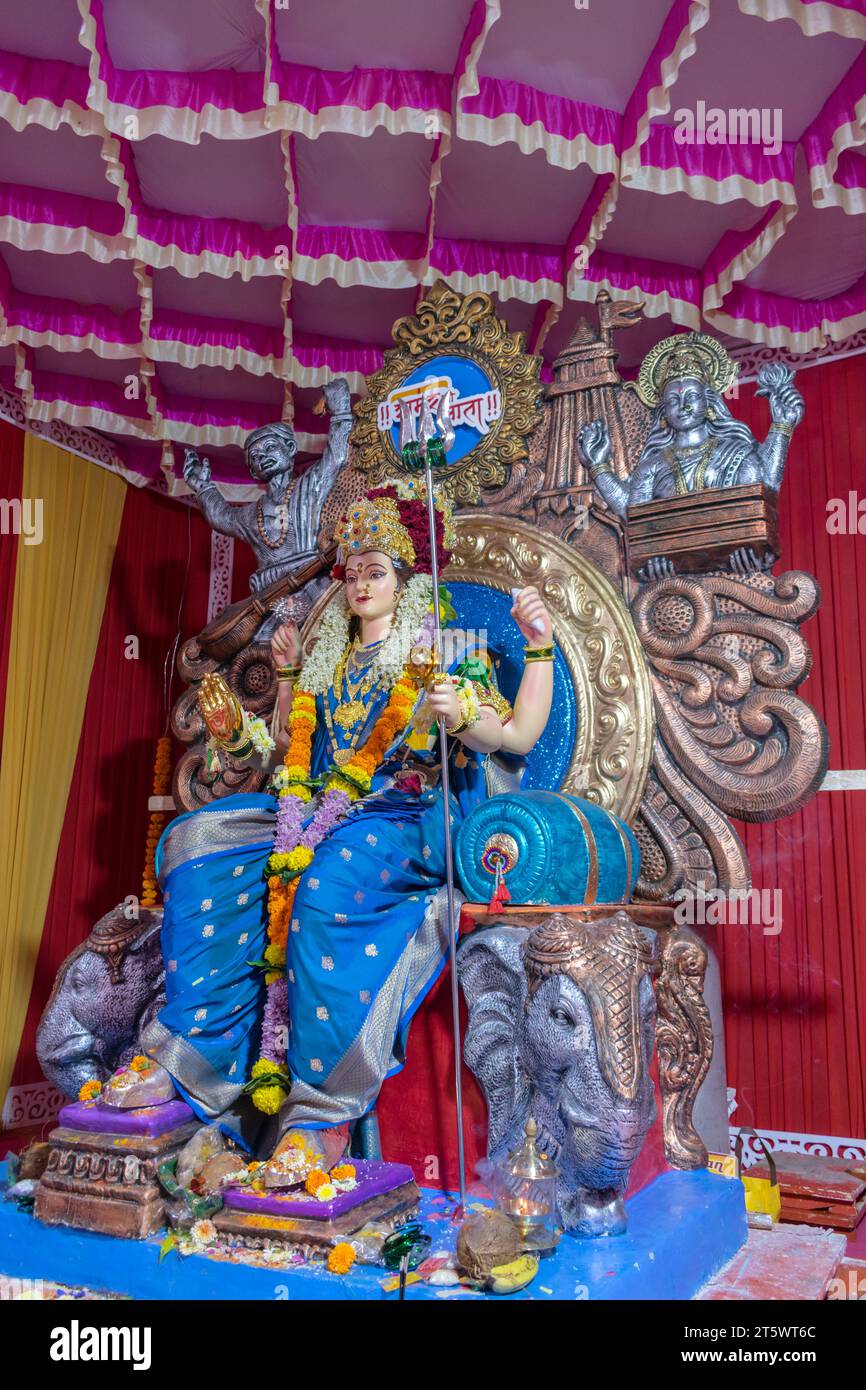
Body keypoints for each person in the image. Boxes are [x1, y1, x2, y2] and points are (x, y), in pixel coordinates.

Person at [133, 477, 554, 1167]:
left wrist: (527, 654)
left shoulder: (442, 651)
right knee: (195, 840)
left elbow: (514, 737)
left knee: (325, 883)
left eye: (375, 571)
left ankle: (320, 1110)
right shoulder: (324, 665)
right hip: (314, 806)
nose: (360, 584)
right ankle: (188, 1062)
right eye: (351, 572)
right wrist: (236, 735)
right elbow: (280, 761)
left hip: (403, 812)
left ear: (404, 580)